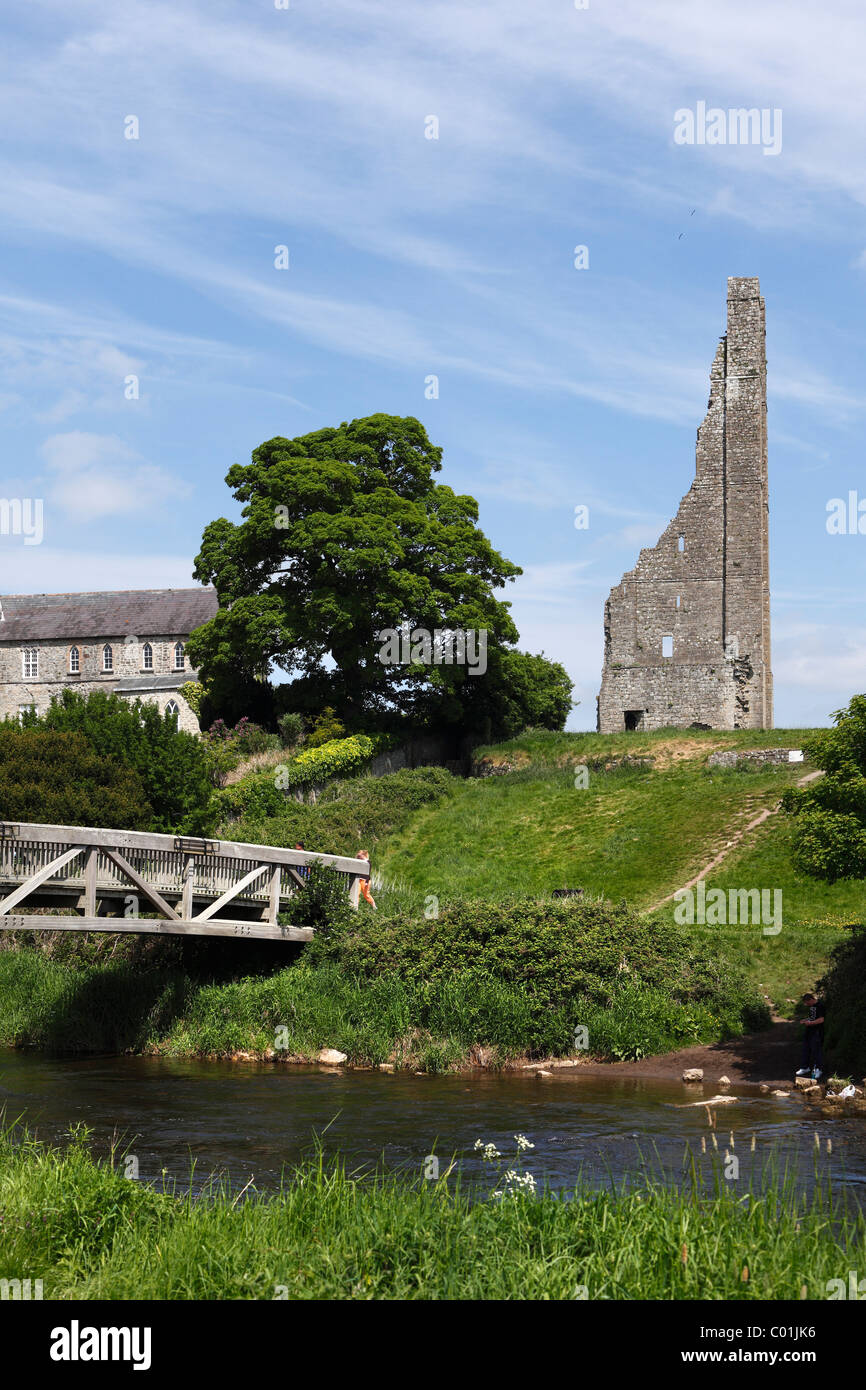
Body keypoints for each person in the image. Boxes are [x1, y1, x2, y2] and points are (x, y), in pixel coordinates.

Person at [796, 991, 826, 1081]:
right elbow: (812, 1017)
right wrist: (805, 1020)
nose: (806, 1004)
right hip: (809, 1031)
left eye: (807, 1002)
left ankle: (818, 1069)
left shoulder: (820, 1006)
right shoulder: (811, 1007)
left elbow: (821, 1020)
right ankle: (805, 1067)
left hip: (817, 1032)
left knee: (816, 1051)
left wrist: (810, 1023)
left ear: (811, 999)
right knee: (805, 1049)